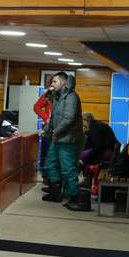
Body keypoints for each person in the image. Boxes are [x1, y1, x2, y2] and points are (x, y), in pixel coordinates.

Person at [42, 71, 84, 206]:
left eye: (54, 82)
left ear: (63, 82)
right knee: (50, 164)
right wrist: (48, 130)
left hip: (67, 139)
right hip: (57, 138)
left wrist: (56, 131)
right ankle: (56, 192)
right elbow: (53, 116)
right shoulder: (59, 97)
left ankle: (75, 197)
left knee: (68, 169)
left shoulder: (71, 97)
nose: (52, 84)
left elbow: (69, 118)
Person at [34, 86, 55, 173]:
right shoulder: (48, 94)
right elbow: (36, 107)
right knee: (46, 153)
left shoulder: (65, 97)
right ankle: (46, 176)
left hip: (59, 128)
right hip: (48, 127)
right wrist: (46, 118)